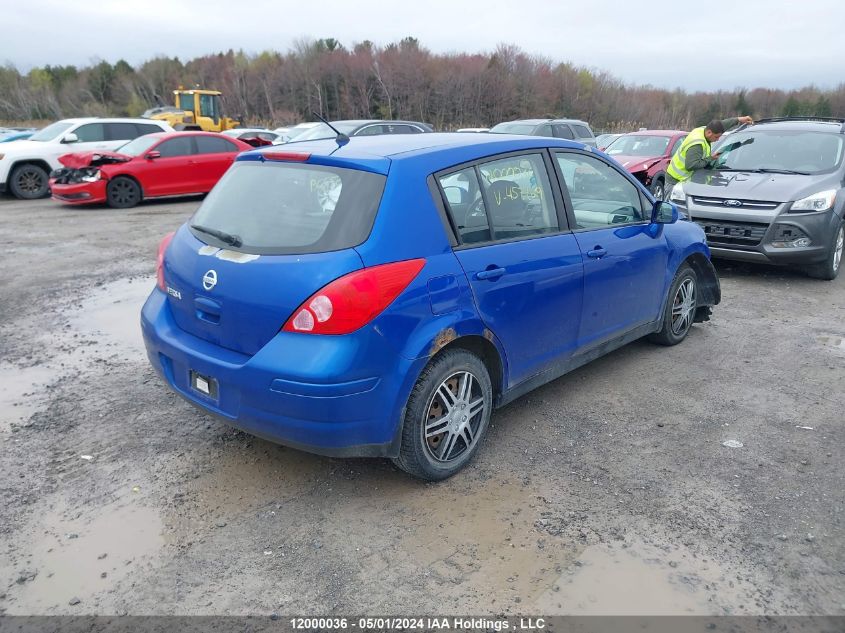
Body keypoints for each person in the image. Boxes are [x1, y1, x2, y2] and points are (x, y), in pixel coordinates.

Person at [664, 116, 754, 201]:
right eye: (716, 137)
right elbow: (691, 165)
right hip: (675, 180)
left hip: (686, 179)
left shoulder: (703, 129)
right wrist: (710, 158)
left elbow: (721, 125)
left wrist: (739, 119)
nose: (718, 139)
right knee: (670, 210)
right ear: (709, 132)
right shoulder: (697, 144)